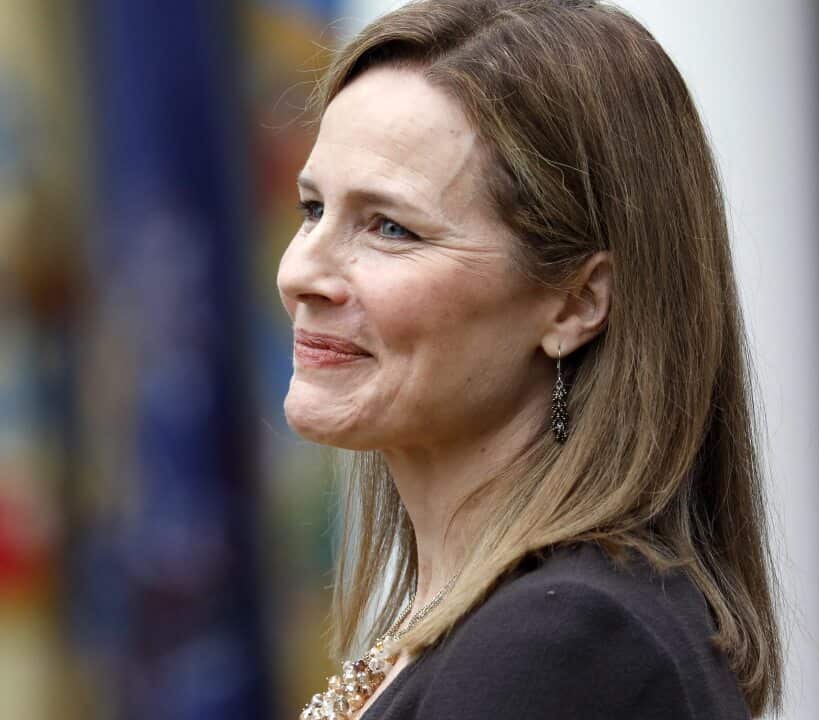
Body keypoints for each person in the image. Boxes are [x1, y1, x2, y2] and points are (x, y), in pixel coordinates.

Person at [277, 0, 783, 717]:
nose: (301, 273)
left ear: (576, 304)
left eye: (390, 227)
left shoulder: (566, 646)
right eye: (312, 210)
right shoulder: (509, 625)